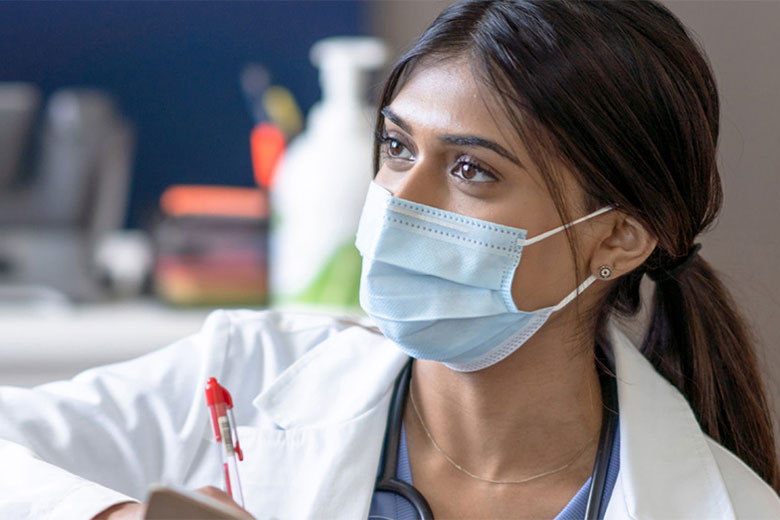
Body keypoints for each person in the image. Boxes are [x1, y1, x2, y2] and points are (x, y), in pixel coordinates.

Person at [1, 1, 779, 518]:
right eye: (397, 147)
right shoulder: (249, 372)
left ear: (618, 237)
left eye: (473, 170)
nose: (401, 200)